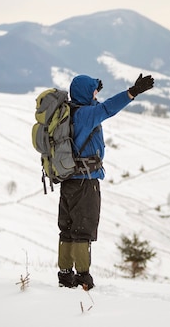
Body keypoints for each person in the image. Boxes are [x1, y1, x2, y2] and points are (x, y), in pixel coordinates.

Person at [57, 73, 154, 290]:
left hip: (68, 180)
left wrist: (93, 92)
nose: (95, 95)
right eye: (92, 92)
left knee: (67, 227)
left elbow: (93, 107)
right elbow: (108, 108)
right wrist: (132, 92)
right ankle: (83, 277)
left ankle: (65, 275)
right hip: (86, 182)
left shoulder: (69, 111)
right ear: (86, 94)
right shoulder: (88, 115)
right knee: (83, 229)